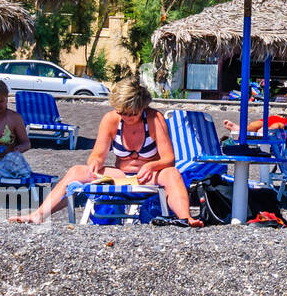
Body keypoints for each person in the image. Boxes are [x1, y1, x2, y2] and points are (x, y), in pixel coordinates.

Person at [13, 79, 199, 226]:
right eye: (123, 113)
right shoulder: (111, 120)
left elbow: (169, 158)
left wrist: (152, 165)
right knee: (77, 171)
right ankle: (38, 215)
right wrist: (94, 163)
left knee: (172, 174)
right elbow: (98, 154)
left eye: (132, 113)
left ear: (142, 107)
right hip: (120, 175)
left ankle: (185, 219)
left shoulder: (154, 118)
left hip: (148, 176)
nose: (127, 117)